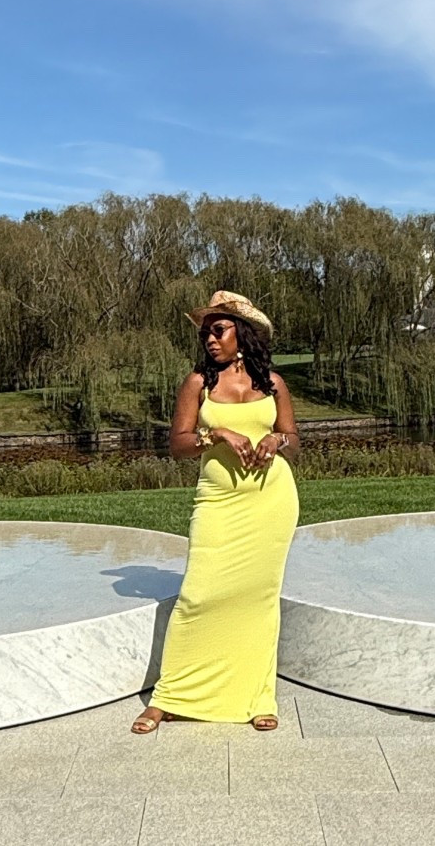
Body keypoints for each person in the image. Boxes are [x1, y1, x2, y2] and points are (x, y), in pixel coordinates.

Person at [132, 290, 300, 733]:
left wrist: (275, 441)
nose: (209, 338)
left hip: (271, 500)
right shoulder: (198, 383)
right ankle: (168, 698)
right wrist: (218, 433)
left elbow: (294, 441)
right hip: (219, 503)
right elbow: (178, 446)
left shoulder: (273, 384)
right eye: (206, 331)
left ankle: (257, 695)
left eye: (218, 329)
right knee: (197, 595)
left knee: (259, 599)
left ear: (241, 334)